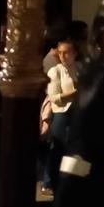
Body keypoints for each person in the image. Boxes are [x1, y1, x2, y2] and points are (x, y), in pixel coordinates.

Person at [42, 38, 79, 194]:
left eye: (67, 52)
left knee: (75, 148)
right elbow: (55, 97)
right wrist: (75, 93)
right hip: (61, 112)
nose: (63, 56)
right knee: (57, 148)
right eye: (61, 52)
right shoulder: (55, 71)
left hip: (77, 112)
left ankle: (71, 181)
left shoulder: (80, 69)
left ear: (75, 53)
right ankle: (49, 182)